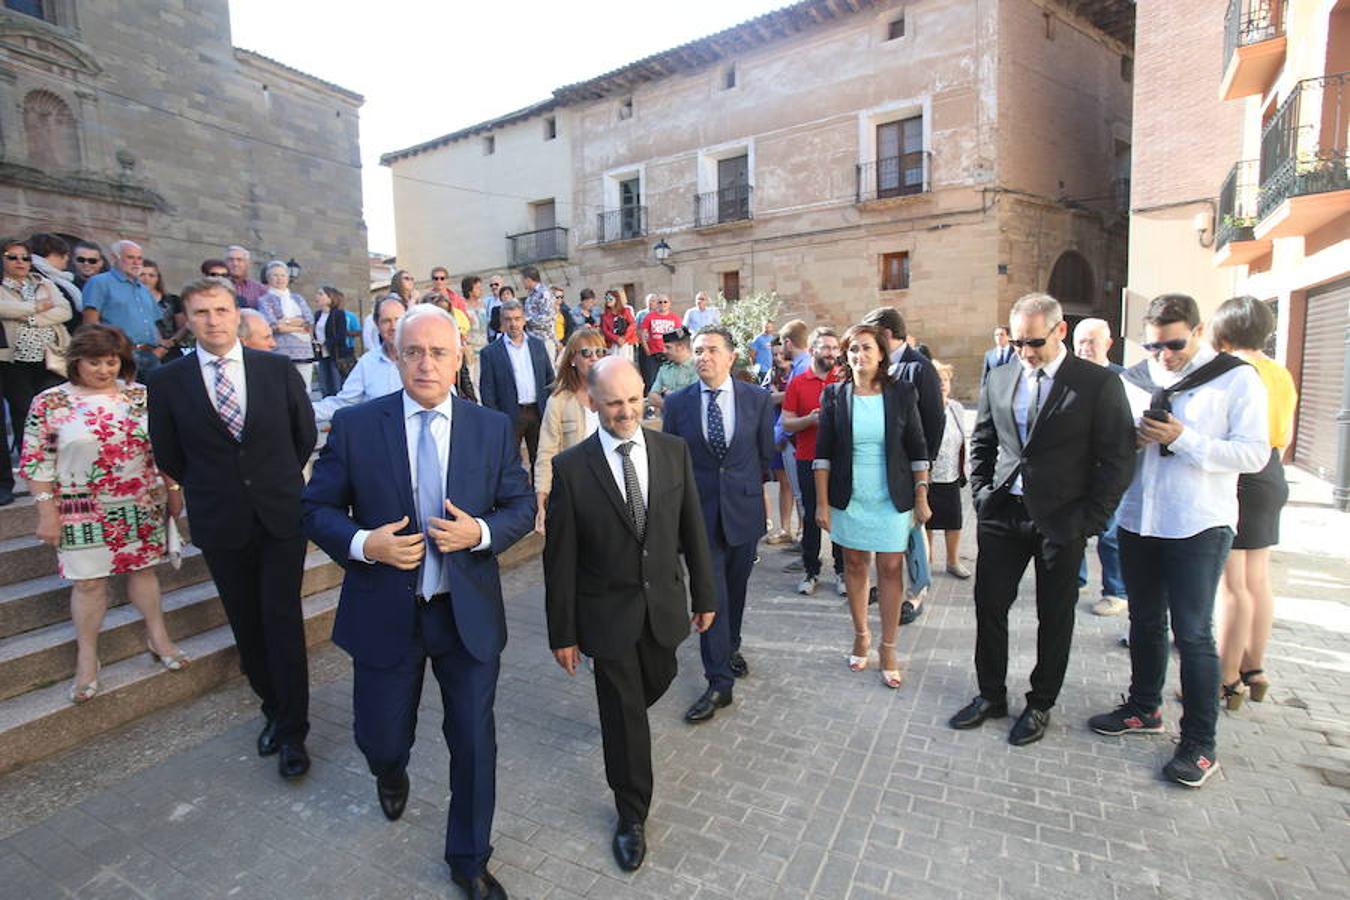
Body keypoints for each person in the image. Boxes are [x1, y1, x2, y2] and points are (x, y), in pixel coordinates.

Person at [304, 304, 532, 899]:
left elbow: (520, 508)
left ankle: (469, 858)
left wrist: (478, 534)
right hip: (386, 614)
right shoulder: (357, 426)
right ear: (395, 356)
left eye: (438, 352)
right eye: (413, 352)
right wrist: (364, 543)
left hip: (466, 616)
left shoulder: (492, 427)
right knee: (380, 735)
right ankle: (390, 769)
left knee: (475, 742)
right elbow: (316, 508)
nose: (425, 363)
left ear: (459, 359)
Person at [543, 356, 716, 873]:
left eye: (634, 400)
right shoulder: (571, 469)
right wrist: (563, 633)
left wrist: (705, 595)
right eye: (614, 403)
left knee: (653, 684)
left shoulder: (673, 451)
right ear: (592, 402)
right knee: (623, 716)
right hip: (605, 614)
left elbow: (692, 530)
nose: (626, 412)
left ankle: (625, 728)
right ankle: (631, 813)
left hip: (662, 606)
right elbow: (560, 561)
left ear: (646, 395)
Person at [1089, 294, 1269, 788]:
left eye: (1173, 344)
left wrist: (1182, 438)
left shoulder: (1235, 378)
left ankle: (1200, 745)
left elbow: (1254, 454)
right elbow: (1109, 443)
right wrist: (1132, 438)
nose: (1163, 355)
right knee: (1145, 621)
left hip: (1199, 522)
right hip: (1139, 518)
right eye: (1153, 345)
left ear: (1198, 329)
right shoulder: (1135, 379)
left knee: (1192, 634)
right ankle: (1144, 708)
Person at [146, 277, 317, 780]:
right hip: (221, 521)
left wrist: (272, 482)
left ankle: (293, 731)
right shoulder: (167, 382)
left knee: (281, 620)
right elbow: (169, 452)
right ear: (188, 320)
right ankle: (271, 706)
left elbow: (302, 436)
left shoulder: (276, 369)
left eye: (221, 310)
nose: (213, 321)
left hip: (280, 516)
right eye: (201, 313)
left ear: (236, 313)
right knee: (247, 623)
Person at [953, 292, 1134, 746]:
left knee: (1055, 618)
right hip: (1002, 514)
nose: (1026, 352)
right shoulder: (1001, 374)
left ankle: (1040, 704)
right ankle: (991, 695)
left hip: (1062, 520)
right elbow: (983, 440)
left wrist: (1091, 520)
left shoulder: (1096, 383)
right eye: (1017, 342)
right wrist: (980, 494)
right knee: (989, 607)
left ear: (1060, 331)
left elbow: (1117, 458)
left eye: (1034, 342)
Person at [21, 324, 190, 702]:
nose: (103, 370)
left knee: (145, 571)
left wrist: (174, 489)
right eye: (93, 362)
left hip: (140, 500)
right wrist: (46, 513)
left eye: (111, 361)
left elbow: (163, 447)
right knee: (88, 583)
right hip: (80, 508)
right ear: (75, 362)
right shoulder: (51, 403)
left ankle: (159, 637)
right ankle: (87, 659)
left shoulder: (141, 397)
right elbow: (37, 462)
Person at [662, 326, 775, 723]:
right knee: (711, 597)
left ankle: (731, 647)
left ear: (730, 356)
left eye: (711, 350)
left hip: (743, 514)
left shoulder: (757, 399)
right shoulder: (676, 404)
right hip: (699, 518)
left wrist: (753, 500)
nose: (703, 357)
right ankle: (718, 682)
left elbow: (765, 457)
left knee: (737, 590)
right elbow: (670, 465)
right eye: (697, 351)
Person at [814, 324, 930, 690]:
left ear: (881, 354)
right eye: (852, 350)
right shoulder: (834, 395)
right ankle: (862, 634)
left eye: (866, 348)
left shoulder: (902, 393)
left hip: (891, 495)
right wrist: (821, 504)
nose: (859, 355)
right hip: (850, 495)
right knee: (854, 563)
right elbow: (823, 454)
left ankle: (889, 646)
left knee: (892, 567)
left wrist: (922, 495)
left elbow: (917, 447)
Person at [1210, 296, 1296, 710]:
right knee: (1259, 580)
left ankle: (1226, 680)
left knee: (1233, 585)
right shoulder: (1279, 373)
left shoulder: (1233, 372)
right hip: (1272, 472)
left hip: (1241, 475)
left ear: (1222, 333)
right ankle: (1254, 667)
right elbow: (1286, 434)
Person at [861, 307, 943, 623]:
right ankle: (886, 585)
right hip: (878, 468)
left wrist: (922, 470)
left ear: (885, 333)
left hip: (910, 468)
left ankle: (917, 592)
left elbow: (934, 421)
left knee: (912, 530)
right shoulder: (879, 366)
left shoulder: (919, 367)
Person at [2, 237, 71, 503]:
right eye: (13, 257)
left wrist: (28, 316)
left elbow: (63, 310)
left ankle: (59, 473)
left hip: (49, 358)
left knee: (54, 416)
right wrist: (36, 307)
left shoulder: (43, 282)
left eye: (25, 257)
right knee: (24, 416)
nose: (20, 262)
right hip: (14, 361)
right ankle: (33, 474)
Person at [782, 327, 845, 596]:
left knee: (840, 516)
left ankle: (842, 571)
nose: (831, 353)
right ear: (813, 350)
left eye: (834, 348)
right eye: (825, 348)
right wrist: (810, 420)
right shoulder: (797, 382)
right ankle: (811, 571)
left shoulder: (843, 380)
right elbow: (786, 422)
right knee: (810, 516)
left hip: (839, 460)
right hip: (807, 459)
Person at [1072, 318, 1129, 616]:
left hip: (1107, 472)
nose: (1084, 348)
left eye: (1091, 342)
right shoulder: (1067, 377)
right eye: (1080, 341)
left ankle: (1116, 591)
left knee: (1111, 535)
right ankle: (1075, 580)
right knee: (1073, 530)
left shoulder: (1123, 379)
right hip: (1074, 471)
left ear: (1107, 344)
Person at [533, 327, 605, 533]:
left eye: (599, 352)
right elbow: (546, 453)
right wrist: (541, 500)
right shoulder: (558, 401)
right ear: (572, 358)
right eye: (586, 353)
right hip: (576, 490)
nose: (594, 358)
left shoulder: (612, 393)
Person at [479, 300, 555, 475]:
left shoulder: (537, 345)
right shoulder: (490, 353)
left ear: (524, 319)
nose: (513, 323)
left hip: (538, 411)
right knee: (509, 461)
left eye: (517, 318)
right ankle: (517, 499)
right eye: (508, 319)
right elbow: (487, 391)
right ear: (502, 322)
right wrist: (497, 418)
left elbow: (549, 378)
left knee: (541, 460)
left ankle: (541, 499)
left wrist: (550, 407)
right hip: (510, 414)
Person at [313, 297, 406, 423]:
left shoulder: (424, 359)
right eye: (386, 321)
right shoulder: (368, 362)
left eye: (398, 320)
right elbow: (343, 402)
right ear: (377, 324)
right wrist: (300, 412)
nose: (393, 327)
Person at [81, 240, 164, 376]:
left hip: (150, 356)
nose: (136, 262)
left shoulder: (143, 289)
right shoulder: (99, 282)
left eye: (139, 258)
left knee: (153, 396)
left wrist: (160, 349)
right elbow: (90, 324)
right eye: (130, 257)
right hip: (118, 355)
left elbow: (153, 323)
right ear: (115, 258)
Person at [925, 361, 970, 579]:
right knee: (928, 522)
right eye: (936, 381)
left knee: (954, 520)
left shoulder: (956, 408)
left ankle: (953, 561)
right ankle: (927, 563)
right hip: (929, 475)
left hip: (951, 473)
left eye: (944, 380)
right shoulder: (924, 408)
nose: (941, 384)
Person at [256, 260, 317, 392]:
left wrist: (285, 322)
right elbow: (273, 325)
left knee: (304, 389)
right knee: (281, 389)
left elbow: (309, 320)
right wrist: (299, 326)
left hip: (303, 350)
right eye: (275, 275)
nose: (280, 279)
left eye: (283, 275)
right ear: (268, 278)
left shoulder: (297, 298)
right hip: (280, 351)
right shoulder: (264, 300)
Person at [314, 286, 359, 396]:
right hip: (322, 354)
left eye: (321, 294)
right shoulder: (317, 314)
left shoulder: (338, 314)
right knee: (324, 383)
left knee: (336, 385)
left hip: (336, 354)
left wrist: (326, 344)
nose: (317, 296)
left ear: (330, 298)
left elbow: (340, 334)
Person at [139, 259, 188, 360]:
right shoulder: (129, 301)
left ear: (158, 278)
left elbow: (183, 327)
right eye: (142, 274)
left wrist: (169, 343)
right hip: (142, 351)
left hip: (170, 351)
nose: (146, 279)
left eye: (151, 275)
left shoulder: (173, 300)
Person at [645, 326, 697, 410]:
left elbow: (693, 398)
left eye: (668, 347)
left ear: (681, 347)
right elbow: (652, 396)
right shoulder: (664, 369)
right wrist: (670, 405)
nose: (664, 351)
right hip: (669, 420)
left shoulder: (697, 368)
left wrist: (670, 396)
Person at [28, 233, 82, 312]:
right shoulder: (35, 276)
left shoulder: (58, 277)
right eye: (65, 255)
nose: (67, 259)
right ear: (53, 254)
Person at [638, 295, 681, 392]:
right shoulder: (649, 317)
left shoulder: (675, 318)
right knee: (651, 381)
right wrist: (647, 350)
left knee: (670, 382)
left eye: (665, 302)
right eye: (660, 302)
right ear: (656, 304)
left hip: (669, 354)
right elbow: (643, 334)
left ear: (669, 304)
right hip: (653, 354)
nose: (663, 304)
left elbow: (679, 337)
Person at [520, 266, 555, 353]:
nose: (522, 283)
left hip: (544, 340)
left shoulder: (544, 293)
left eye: (522, 280)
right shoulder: (530, 296)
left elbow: (547, 317)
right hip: (532, 340)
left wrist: (527, 320)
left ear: (528, 279)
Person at [224, 245, 267, 309]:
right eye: (231, 260)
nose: (235, 263)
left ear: (247, 264)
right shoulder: (217, 285)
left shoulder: (260, 290)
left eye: (239, 260)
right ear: (225, 263)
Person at [600, 288, 637, 360]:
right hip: (613, 344)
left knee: (627, 363)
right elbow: (605, 330)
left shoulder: (625, 311)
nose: (608, 301)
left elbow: (632, 324)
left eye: (610, 299)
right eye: (606, 298)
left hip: (625, 343)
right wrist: (617, 339)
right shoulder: (604, 316)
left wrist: (624, 338)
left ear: (616, 299)